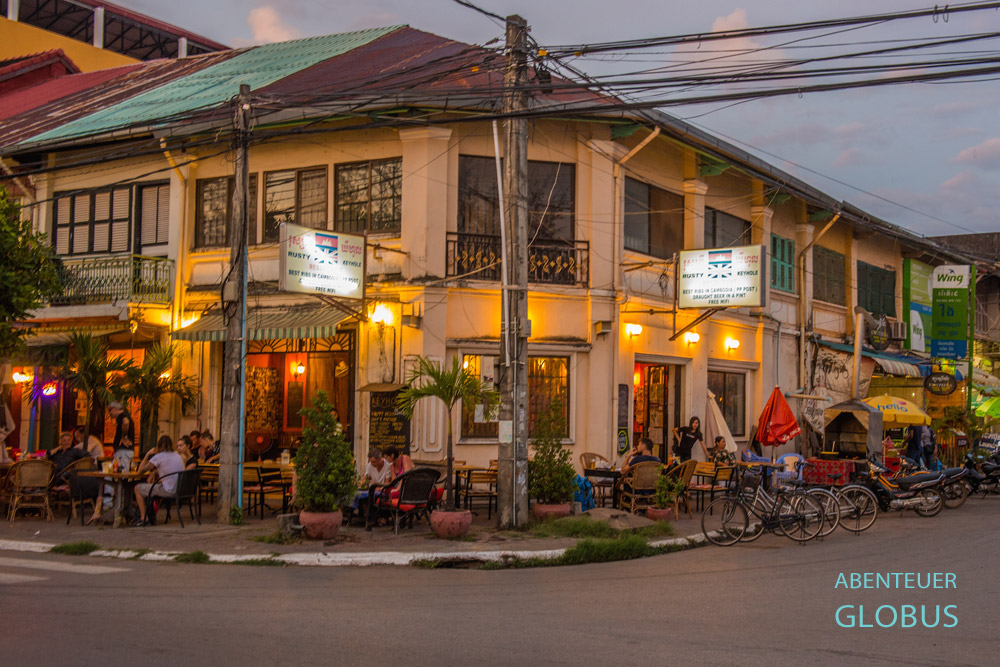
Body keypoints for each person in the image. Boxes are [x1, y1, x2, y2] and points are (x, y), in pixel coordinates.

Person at [132, 436, 186, 526]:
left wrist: (147, 454)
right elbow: (169, 469)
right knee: (151, 486)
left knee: (137, 488)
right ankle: (149, 514)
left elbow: (140, 470)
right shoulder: (177, 456)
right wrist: (155, 472)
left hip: (169, 490)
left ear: (159, 446)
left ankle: (143, 518)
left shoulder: (159, 457)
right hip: (180, 489)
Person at [108, 401, 135, 472]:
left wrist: (124, 437)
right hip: (122, 451)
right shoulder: (124, 416)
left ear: (114, 409)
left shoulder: (122, 416)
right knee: (115, 473)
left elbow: (126, 422)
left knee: (122, 473)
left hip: (123, 451)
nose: (110, 413)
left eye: (110, 411)